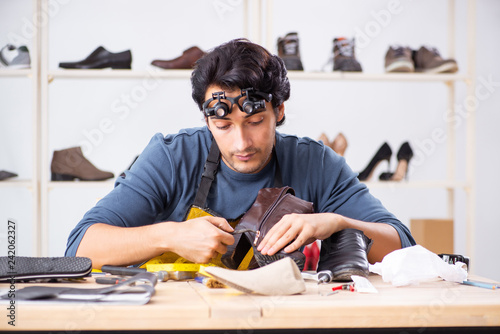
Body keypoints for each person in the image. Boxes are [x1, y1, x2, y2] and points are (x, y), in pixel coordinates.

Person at [65, 38, 415, 269]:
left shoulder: (317, 163)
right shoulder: (172, 157)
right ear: (206, 119)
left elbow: (404, 247)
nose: (241, 143)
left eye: (255, 121)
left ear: (279, 110)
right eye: (224, 126)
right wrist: (168, 235)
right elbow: (80, 248)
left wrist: (338, 223)